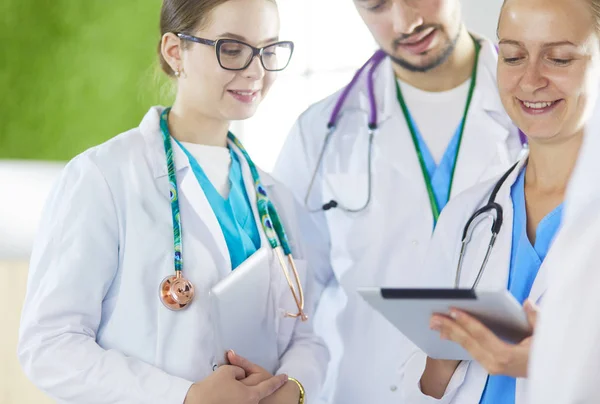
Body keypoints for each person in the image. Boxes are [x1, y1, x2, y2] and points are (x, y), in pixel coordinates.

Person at [17, 0, 328, 403]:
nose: (256, 70)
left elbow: (307, 335)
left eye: (268, 50)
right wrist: (184, 397)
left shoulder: (275, 198)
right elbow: (49, 345)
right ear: (174, 51)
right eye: (232, 49)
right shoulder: (104, 177)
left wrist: (294, 389)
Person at [273, 0, 523, 402]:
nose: (408, 21)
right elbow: (290, 304)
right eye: (377, 5)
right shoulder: (319, 134)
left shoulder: (541, 113)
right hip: (363, 391)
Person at [399, 0, 600, 402]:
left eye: (559, 58)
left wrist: (557, 363)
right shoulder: (466, 215)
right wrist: (437, 366)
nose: (529, 80)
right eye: (512, 55)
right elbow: (416, 384)